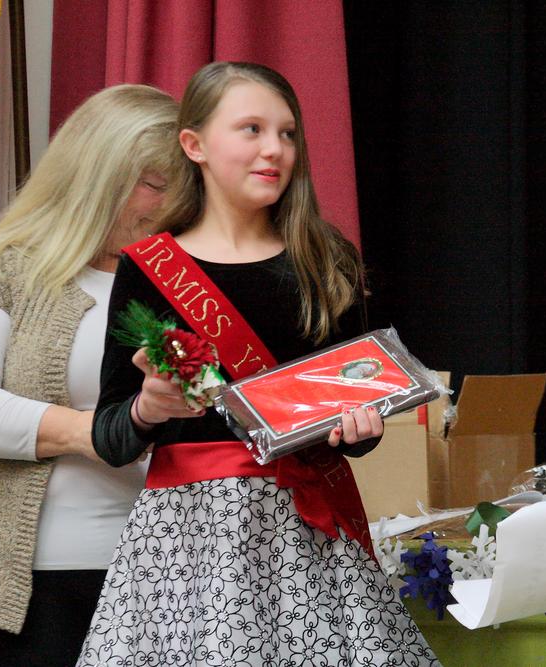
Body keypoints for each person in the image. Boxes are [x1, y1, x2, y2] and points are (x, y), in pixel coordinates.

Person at [76, 62, 440, 666]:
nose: (275, 149)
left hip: (310, 537)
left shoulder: (326, 260)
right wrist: (146, 409)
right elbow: (111, 438)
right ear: (193, 145)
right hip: (187, 551)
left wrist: (359, 433)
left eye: (288, 133)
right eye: (251, 129)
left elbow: (351, 413)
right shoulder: (149, 268)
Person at [0, 84, 177, 666]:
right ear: (92, 174)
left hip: (179, 567)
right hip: (40, 576)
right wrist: (106, 432)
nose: (167, 205)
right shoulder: (5, 264)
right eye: (153, 184)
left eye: (182, 189)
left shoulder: (189, 280)